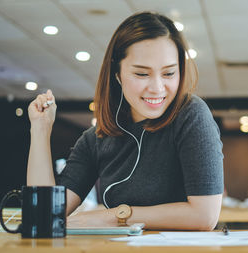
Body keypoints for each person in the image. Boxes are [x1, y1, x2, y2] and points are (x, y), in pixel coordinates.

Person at [27, 11, 224, 230]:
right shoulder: (97, 139)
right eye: (142, 74)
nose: (158, 87)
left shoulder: (191, 115)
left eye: (169, 73)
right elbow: (43, 214)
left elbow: (205, 216)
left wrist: (115, 216)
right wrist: (40, 130)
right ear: (117, 74)